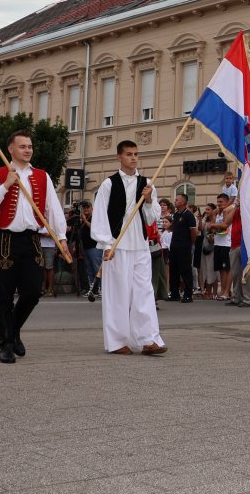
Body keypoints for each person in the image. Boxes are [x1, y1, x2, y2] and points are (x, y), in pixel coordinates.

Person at [0, 130, 70, 363]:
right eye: (22, 146)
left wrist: (62, 237)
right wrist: (5, 185)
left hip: (32, 238)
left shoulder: (41, 176)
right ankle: (5, 344)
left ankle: (13, 330)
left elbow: (53, 209)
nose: (28, 149)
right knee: (4, 295)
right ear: (11, 149)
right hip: (4, 238)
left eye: (29, 146)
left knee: (33, 291)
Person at [88, 140, 165, 355]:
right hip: (117, 244)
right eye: (129, 154)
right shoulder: (108, 184)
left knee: (144, 292)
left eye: (136, 154)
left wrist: (149, 200)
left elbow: (152, 217)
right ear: (119, 157)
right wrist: (106, 244)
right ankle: (117, 341)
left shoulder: (147, 183)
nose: (133, 157)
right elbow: (100, 216)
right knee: (117, 294)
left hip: (140, 245)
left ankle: (149, 339)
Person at [169, 193, 197, 303]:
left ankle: (188, 294)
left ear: (183, 202)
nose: (175, 201)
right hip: (174, 246)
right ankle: (175, 293)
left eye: (177, 200)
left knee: (185, 270)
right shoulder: (176, 215)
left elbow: (193, 232)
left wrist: (190, 243)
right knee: (174, 270)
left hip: (184, 246)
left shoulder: (188, 215)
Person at [211, 194, 234, 300]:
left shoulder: (229, 211)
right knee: (221, 269)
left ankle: (227, 291)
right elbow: (213, 226)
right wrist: (213, 227)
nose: (219, 204)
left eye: (221, 202)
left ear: (227, 202)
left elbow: (225, 225)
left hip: (226, 243)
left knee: (227, 269)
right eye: (218, 202)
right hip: (217, 243)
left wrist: (213, 226)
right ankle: (223, 290)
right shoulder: (217, 213)